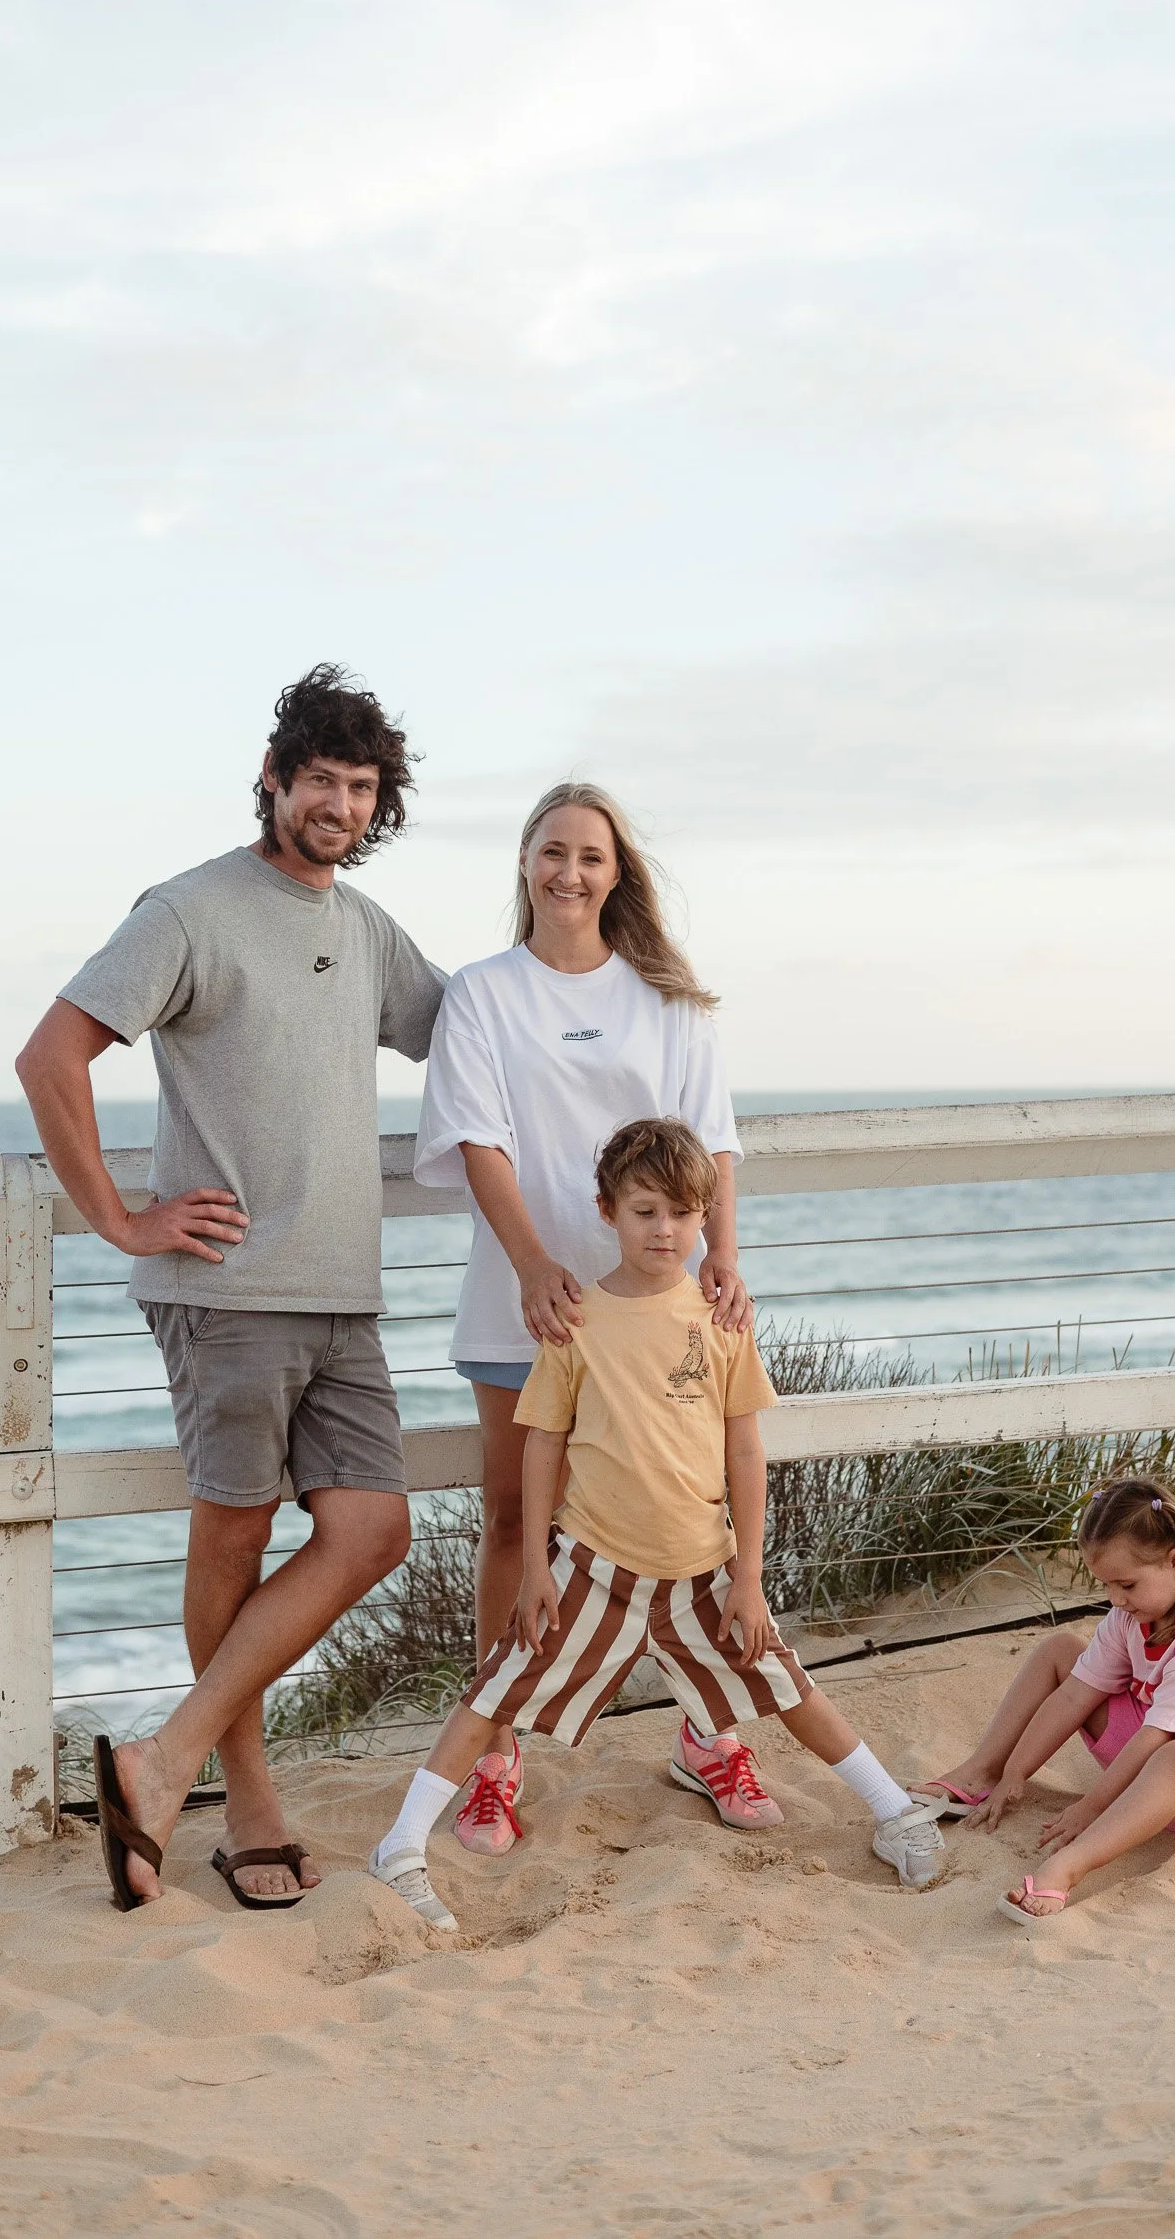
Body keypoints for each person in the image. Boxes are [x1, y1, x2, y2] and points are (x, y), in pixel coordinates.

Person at [15, 664, 445, 1912]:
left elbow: (468, 1029)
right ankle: (242, 1805)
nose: (339, 804)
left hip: (339, 1295)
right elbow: (53, 1053)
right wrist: (118, 1215)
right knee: (237, 1537)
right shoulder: (191, 909)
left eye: (362, 787)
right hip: (225, 1291)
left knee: (371, 1530)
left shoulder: (362, 930)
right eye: (320, 778)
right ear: (274, 778)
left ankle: (160, 1760)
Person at [367, 1118, 949, 1928]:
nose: (664, 1229)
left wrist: (747, 1577)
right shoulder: (576, 1320)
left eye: (681, 1213)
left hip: (701, 1569)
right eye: (644, 1211)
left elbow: (745, 1455)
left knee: (784, 1684)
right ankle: (398, 1847)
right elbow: (541, 1448)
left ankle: (893, 1812)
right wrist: (535, 1566)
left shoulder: (720, 1321)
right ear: (606, 1211)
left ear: (703, 1217)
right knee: (497, 1686)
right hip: (594, 1566)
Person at [411, 783, 751, 1853]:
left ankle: (707, 1734)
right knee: (517, 1524)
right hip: (531, 1306)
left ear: (617, 873)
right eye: (551, 852)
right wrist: (531, 1264)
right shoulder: (481, 994)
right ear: (524, 864)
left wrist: (724, 1262)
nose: (569, 872)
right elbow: (477, 1137)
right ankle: (494, 1757)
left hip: (660, 1310)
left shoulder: (668, 1000)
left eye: (590, 856)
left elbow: (714, 1143)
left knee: (686, 1510)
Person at [917, 1477, 1175, 1928]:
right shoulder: (1131, 1615)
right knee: (1061, 1651)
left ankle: (1066, 1869)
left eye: (1126, 1585)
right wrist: (1017, 1771)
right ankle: (984, 1773)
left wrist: (1092, 1807)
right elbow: (1073, 1694)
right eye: (1106, 1585)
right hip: (1144, 1754)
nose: (1116, 1600)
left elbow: (1157, 1739)